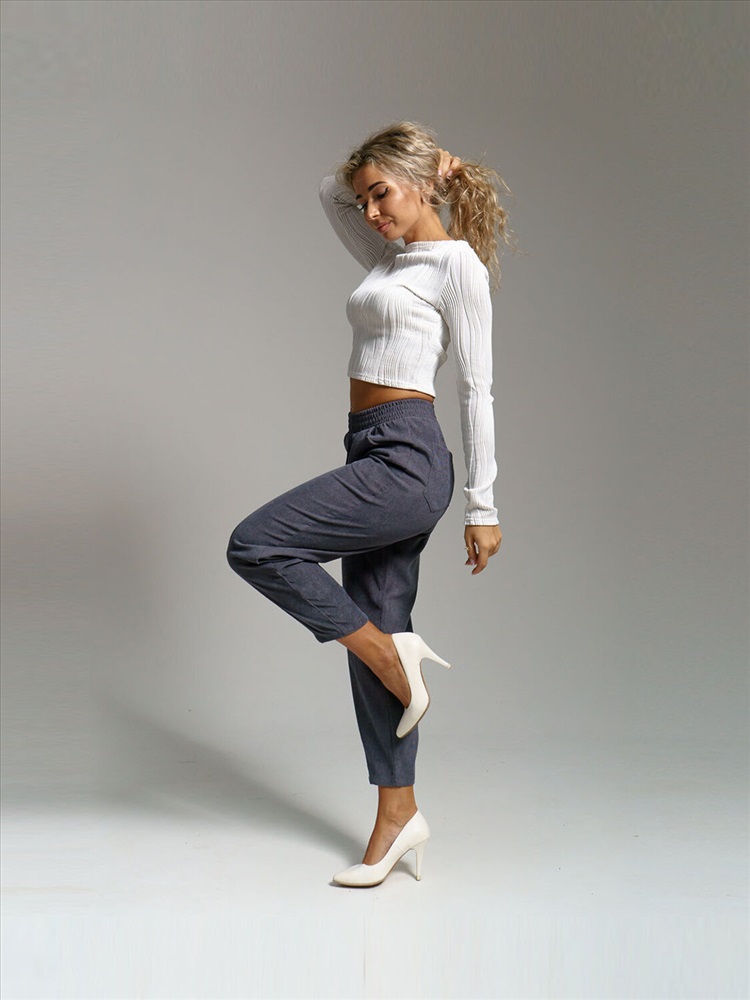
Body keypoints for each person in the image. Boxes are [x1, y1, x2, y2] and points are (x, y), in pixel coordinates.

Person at [227, 121, 516, 888]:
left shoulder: (456, 266)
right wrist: (403, 164)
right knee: (379, 616)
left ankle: (393, 657)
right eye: (367, 202)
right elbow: (329, 190)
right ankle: (398, 814)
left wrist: (482, 507)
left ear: (421, 184)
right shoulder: (388, 257)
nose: (371, 212)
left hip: (408, 460)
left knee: (258, 544)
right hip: (370, 449)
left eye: (382, 194)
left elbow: (477, 389)